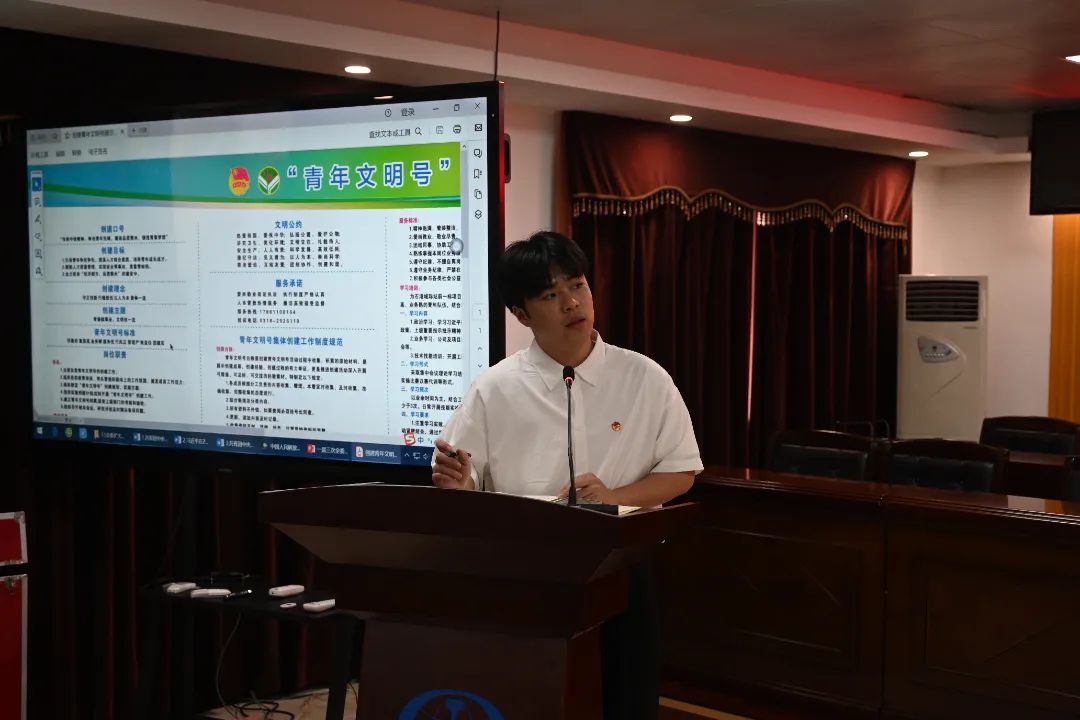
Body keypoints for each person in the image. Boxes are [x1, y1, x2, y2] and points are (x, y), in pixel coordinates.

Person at [431, 230, 703, 720]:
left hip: (620, 566)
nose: (571, 303)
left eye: (577, 286)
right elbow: (469, 483)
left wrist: (614, 495)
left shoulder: (645, 377)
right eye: (550, 295)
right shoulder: (495, 388)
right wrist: (457, 483)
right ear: (521, 314)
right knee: (533, 697)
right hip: (526, 569)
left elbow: (681, 471)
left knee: (624, 697)